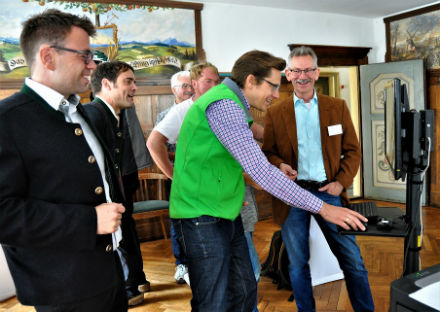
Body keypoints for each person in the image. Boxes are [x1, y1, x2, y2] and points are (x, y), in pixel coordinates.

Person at [169, 50, 367, 311]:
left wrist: (252, 181)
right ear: (251, 80)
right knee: (213, 301)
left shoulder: (233, 103)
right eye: (272, 86)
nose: (276, 93)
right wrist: (325, 208)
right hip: (200, 215)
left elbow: (225, 163)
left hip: (223, 211)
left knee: (244, 289)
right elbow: (261, 171)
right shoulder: (225, 104)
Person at [0, 9, 127, 311]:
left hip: (109, 275)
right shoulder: (7, 121)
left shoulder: (79, 111)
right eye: (84, 56)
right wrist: (87, 222)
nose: (92, 65)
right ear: (47, 57)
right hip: (62, 290)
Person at [262, 46, 374, 312]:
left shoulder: (337, 107)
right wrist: (281, 164)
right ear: (288, 74)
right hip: (292, 195)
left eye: (308, 70)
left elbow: (353, 151)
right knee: (298, 264)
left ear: (317, 72)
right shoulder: (276, 112)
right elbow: (269, 153)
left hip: (329, 192)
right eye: (297, 70)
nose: (303, 76)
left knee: (353, 261)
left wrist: (340, 183)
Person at [84, 61, 151, 307]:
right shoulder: (93, 114)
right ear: (106, 84)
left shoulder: (112, 116)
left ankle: (131, 283)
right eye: (128, 82)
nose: (134, 88)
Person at [147, 63, 220, 285]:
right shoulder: (168, 114)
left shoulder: (211, 106)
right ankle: (183, 263)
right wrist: (177, 166)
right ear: (174, 90)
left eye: (190, 85)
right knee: (180, 221)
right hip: (181, 175)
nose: (188, 89)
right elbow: (159, 146)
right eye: (184, 86)